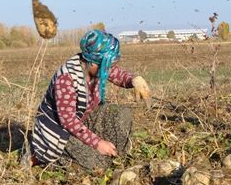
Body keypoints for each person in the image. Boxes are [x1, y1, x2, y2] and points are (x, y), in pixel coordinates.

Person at [27, 29, 151, 170]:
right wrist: (97, 143)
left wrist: (134, 79)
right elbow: (68, 121)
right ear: (92, 62)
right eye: (107, 65)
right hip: (59, 132)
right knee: (96, 164)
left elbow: (117, 74)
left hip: (82, 120)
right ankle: (40, 157)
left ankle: (116, 155)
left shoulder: (96, 66)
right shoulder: (66, 79)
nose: (109, 69)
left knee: (122, 114)